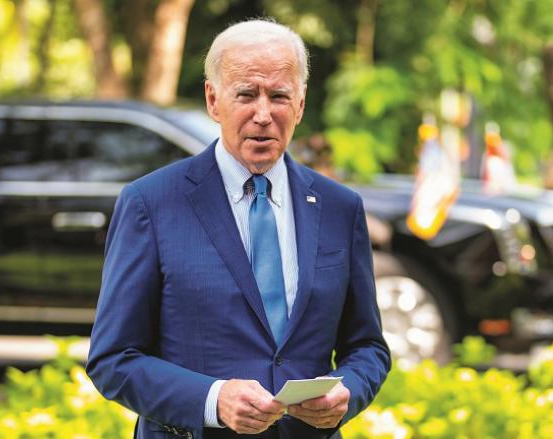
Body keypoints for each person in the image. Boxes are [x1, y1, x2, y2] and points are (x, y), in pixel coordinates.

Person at [86, 19, 391, 439]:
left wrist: (349, 392)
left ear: (300, 104)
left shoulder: (341, 208)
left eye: (279, 96)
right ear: (214, 100)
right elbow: (113, 359)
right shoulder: (150, 203)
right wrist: (213, 399)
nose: (263, 114)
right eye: (246, 94)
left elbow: (367, 346)